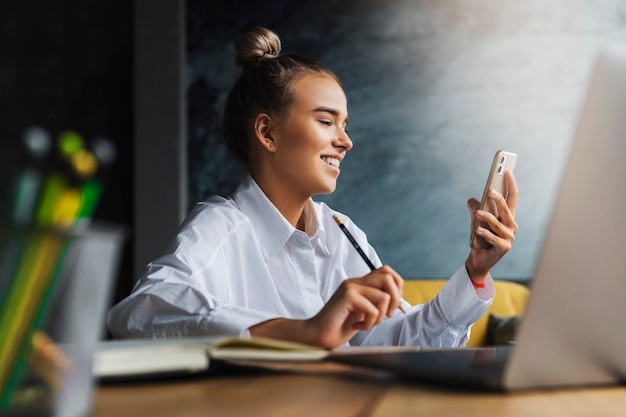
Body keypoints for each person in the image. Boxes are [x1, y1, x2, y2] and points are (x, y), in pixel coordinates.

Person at [107, 26, 519, 349]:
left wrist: (476, 271)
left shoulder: (341, 231)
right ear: (267, 132)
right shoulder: (220, 225)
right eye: (326, 121)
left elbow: (394, 340)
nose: (345, 140)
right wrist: (300, 332)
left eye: (345, 125)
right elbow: (139, 314)